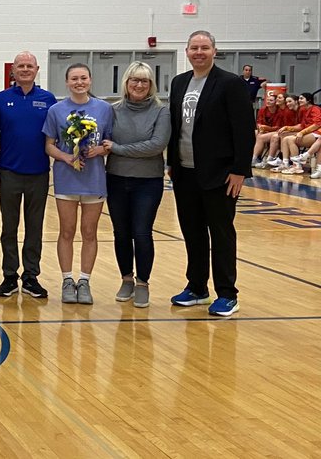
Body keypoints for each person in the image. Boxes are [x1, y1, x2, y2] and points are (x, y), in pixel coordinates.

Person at [168, 30, 254, 317]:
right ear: (187, 51)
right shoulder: (180, 82)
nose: (199, 52)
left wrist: (240, 170)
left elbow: (244, 130)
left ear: (214, 51)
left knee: (221, 234)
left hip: (220, 174)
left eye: (205, 47)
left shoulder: (230, 84)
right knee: (192, 233)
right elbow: (175, 126)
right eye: (194, 47)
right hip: (185, 173)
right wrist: (172, 163)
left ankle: (228, 294)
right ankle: (197, 288)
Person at [0, 51, 55, 299]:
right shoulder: (1, 99)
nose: (25, 69)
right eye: (20, 66)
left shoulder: (49, 99)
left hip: (39, 173)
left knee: (34, 228)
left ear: (37, 70)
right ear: (12, 71)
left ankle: (31, 276)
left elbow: (55, 135)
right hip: (8, 173)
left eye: (29, 66)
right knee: (9, 228)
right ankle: (9, 276)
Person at [43, 63, 113, 305]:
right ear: (67, 82)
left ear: (90, 81)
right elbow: (49, 144)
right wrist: (66, 157)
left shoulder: (104, 109)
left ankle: (84, 281)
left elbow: (109, 142)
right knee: (66, 231)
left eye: (83, 78)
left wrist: (100, 150)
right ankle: (66, 280)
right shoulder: (56, 110)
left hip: (94, 180)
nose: (79, 82)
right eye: (74, 79)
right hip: (66, 179)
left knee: (90, 232)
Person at [102, 62, 170, 308]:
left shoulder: (161, 111)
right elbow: (102, 139)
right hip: (116, 179)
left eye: (144, 81)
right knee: (121, 233)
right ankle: (126, 279)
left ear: (151, 85)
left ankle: (143, 282)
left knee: (142, 233)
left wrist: (118, 149)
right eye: (135, 80)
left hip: (148, 182)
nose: (139, 85)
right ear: (126, 83)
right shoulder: (113, 110)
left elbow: (156, 145)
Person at [280, 93, 321, 175]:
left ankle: (297, 165)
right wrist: (287, 128)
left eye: (302, 98)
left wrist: (302, 132)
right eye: (299, 98)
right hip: (310, 133)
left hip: (316, 133)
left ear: (308, 100)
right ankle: (285, 163)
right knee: (285, 138)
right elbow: (302, 126)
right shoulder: (304, 110)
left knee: (291, 139)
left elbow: (317, 124)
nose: (299, 100)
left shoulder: (315, 108)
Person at [261, 94, 298, 170]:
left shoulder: (289, 111)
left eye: (279, 98)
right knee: (259, 135)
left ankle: (282, 159)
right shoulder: (281, 110)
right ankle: (259, 158)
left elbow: (297, 125)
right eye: (287, 102)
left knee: (280, 135)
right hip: (286, 130)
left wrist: (284, 128)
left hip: (297, 131)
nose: (288, 103)